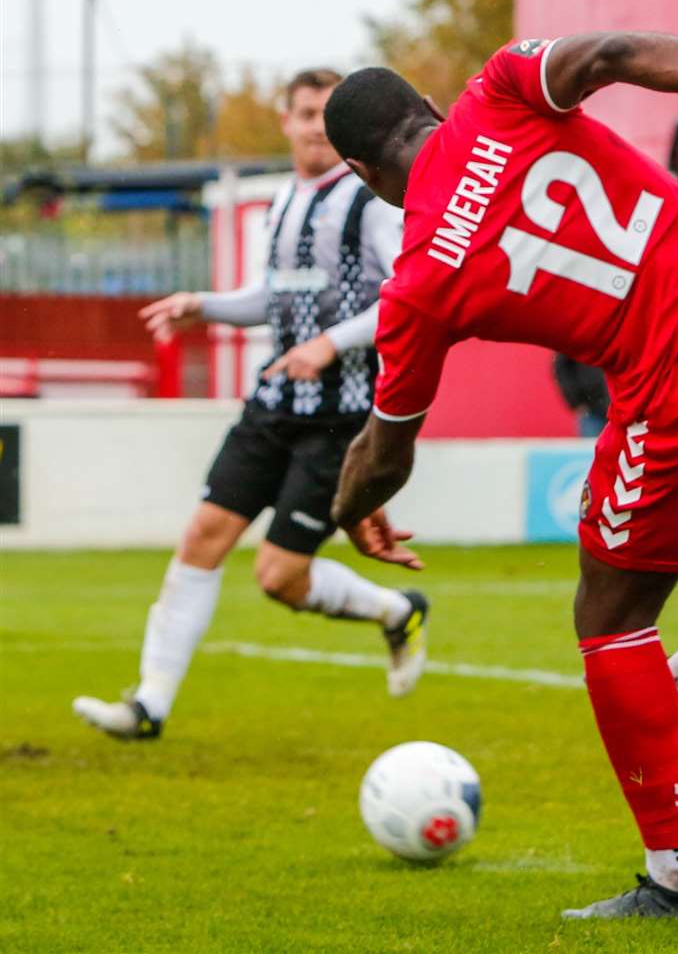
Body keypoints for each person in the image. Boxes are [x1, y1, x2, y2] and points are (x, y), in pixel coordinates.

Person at [320, 30, 678, 920]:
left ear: (360, 172)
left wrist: (353, 509)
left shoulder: (421, 283)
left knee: (610, 611)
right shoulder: (504, 87)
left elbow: (386, 449)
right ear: (427, 108)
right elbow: (618, 50)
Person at [72, 69, 424, 741]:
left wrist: (329, 344)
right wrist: (203, 306)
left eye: (328, 114)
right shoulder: (285, 203)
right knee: (203, 536)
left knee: (279, 577)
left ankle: (395, 611)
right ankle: (149, 704)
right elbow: (273, 294)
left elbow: (408, 294)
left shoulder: (368, 202)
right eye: (305, 112)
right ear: (286, 121)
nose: (316, 125)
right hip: (272, 402)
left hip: (339, 417)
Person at [553, 354, 611, 436]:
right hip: (591, 408)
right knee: (590, 445)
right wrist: (575, 400)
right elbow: (561, 368)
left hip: (617, 407)